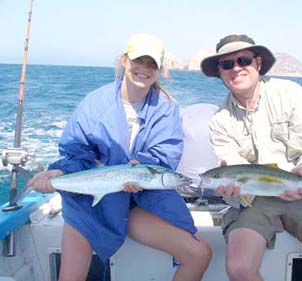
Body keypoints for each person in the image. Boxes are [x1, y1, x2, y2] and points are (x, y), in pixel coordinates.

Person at [28, 33, 211, 281]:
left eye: (152, 64)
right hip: (90, 203)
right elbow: (77, 151)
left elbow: (164, 155)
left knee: (199, 254)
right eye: (139, 60)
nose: (144, 69)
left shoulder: (165, 108)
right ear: (124, 60)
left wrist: (143, 166)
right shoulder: (95, 103)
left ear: (159, 70)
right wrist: (58, 173)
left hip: (143, 201)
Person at [200, 34, 302, 281]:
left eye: (244, 60)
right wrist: (230, 189)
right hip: (254, 201)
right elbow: (232, 168)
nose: (237, 68)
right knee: (240, 269)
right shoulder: (220, 121)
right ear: (220, 72)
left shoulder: (290, 93)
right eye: (227, 64)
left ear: (258, 63)